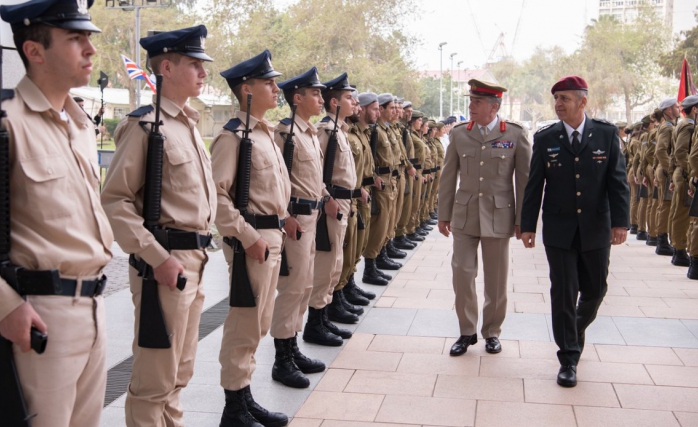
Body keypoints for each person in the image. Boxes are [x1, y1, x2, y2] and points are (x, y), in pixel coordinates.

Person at [0, 2, 113, 425]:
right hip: (40, 313)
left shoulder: (81, 126)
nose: (90, 50)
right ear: (35, 50)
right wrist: (5, 306)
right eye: (75, 39)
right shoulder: (7, 122)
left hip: (93, 307)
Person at [101, 25, 216, 426]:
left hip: (194, 261)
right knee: (154, 378)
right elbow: (115, 200)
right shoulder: (145, 126)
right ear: (166, 66)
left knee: (179, 373)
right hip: (166, 265)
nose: (204, 72)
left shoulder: (186, 123)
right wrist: (156, 257)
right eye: (194, 64)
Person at [521, 76, 630, 388]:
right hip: (559, 230)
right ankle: (568, 357)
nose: (558, 104)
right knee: (564, 293)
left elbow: (617, 183)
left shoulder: (606, 134)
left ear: (583, 102)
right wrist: (528, 225)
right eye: (556, 98)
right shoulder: (545, 138)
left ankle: (574, 330)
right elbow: (534, 185)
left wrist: (620, 223)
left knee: (596, 290)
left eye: (565, 98)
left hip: (596, 228)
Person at [211, 49, 290, 427]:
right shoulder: (233, 138)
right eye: (268, 83)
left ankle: (244, 396)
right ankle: (233, 407)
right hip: (252, 242)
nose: (277, 89)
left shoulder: (264, 134)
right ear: (246, 90)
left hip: (270, 238)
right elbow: (217, 198)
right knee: (245, 323)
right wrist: (247, 238)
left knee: (259, 323)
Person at [438, 79, 531, 357]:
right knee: (462, 274)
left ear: (494, 106)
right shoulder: (459, 134)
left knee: (496, 279)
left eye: (477, 102)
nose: (471, 107)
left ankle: (491, 331)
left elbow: (524, 180)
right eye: (471, 101)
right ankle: (467, 331)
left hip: (499, 216)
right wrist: (443, 214)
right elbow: (448, 176)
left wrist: (522, 220)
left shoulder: (515, 134)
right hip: (464, 215)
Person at [269, 67, 330, 388]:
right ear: (297, 98)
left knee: (305, 287)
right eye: (316, 93)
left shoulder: (306, 133)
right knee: (292, 289)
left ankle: (292, 347)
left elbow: (312, 179)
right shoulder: (285, 133)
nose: (322, 98)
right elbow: (278, 180)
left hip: (312, 218)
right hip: (295, 221)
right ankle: (281, 359)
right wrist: (285, 216)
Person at [309, 73, 358, 328]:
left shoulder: (340, 131)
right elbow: (315, 172)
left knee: (336, 262)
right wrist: (326, 197)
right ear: (335, 103)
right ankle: (315, 322)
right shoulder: (325, 131)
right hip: (331, 205)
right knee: (326, 264)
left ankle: (324, 314)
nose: (354, 102)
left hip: (343, 204)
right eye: (349, 98)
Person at [362, 93, 398, 284]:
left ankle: (378, 258)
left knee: (386, 223)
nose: (396, 112)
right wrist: (375, 178)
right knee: (378, 225)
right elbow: (371, 160)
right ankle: (370, 267)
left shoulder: (386, 130)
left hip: (389, 180)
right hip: (379, 182)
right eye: (391, 108)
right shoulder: (374, 131)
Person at [667, 96, 698, 267]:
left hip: (680, 172)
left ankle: (678, 249)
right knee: (683, 214)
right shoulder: (688, 126)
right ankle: (679, 250)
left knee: (678, 211)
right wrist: (691, 173)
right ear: (694, 109)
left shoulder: (681, 124)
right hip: (686, 173)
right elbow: (680, 152)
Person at [655, 97, 681, 256]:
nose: (679, 109)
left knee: (665, 205)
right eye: (676, 106)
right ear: (668, 110)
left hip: (663, 169)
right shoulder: (667, 128)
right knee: (665, 206)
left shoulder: (668, 126)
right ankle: (662, 241)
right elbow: (660, 151)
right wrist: (669, 170)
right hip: (665, 171)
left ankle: (663, 240)